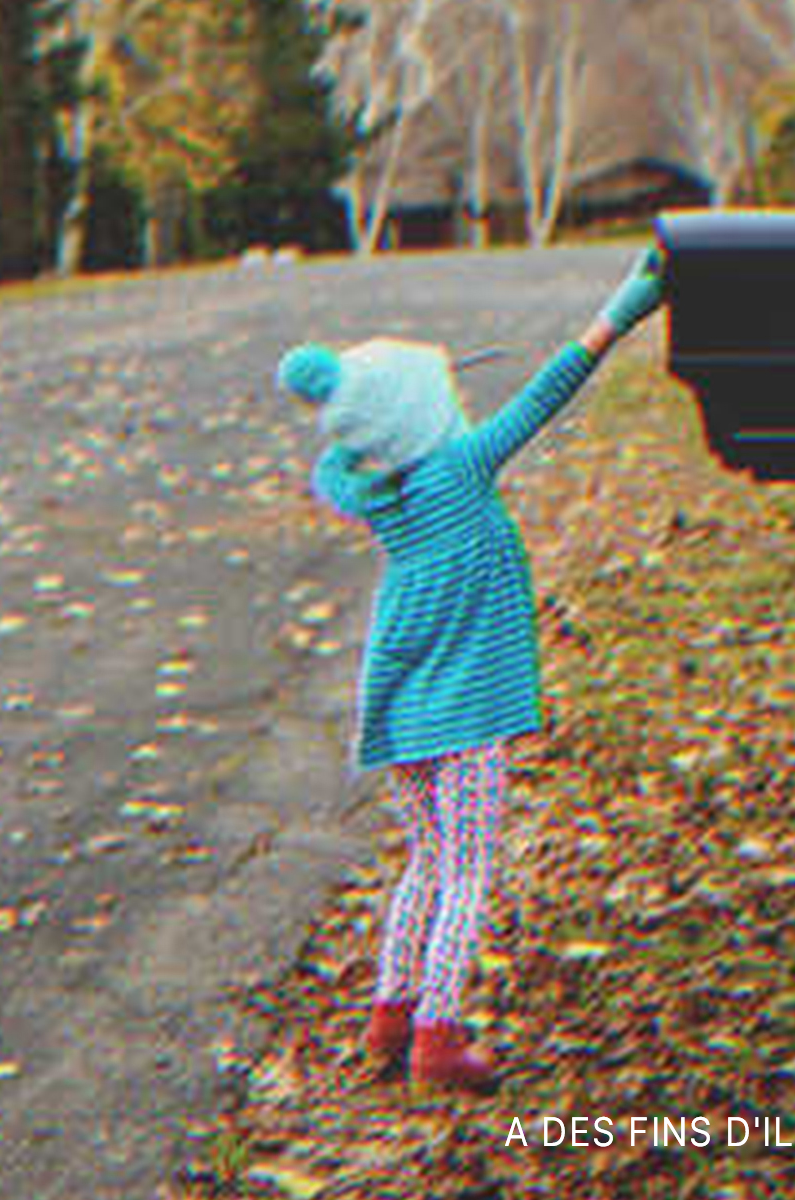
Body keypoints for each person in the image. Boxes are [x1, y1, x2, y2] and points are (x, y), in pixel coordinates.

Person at [275, 247, 665, 1092]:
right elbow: (545, 396)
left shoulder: (377, 495)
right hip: (468, 720)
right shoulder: (461, 470)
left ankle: (389, 1013)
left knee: (424, 860)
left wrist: (348, 435)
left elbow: (332, 471)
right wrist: (620, 313)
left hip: (403, 718)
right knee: (467, 872)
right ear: (422, 415)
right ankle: (438, 1037)